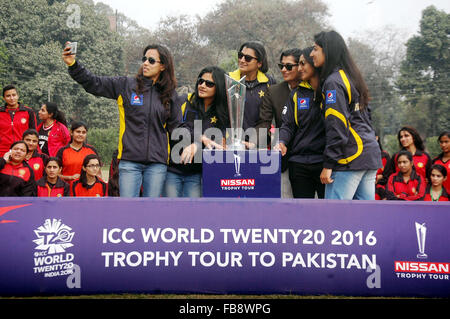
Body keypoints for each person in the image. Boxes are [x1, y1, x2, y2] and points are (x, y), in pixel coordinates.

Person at [63, 42, 184, 197]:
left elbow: (176, 129)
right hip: (129, 161)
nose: (145, 63)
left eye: (151, 60)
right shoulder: (126, 85)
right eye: (144, 59)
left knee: (151, 210)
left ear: (163, 66)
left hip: (157, 163)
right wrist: (73, 65)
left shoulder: (170, 94)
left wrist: (193, 144)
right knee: (128, 209)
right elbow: (94, 83)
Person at [310, 30, 381, 200]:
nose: (312, 54)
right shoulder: (351, 76)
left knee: (334, 219)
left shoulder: (333, 82)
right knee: (364, 220)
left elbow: (337, 125)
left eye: (315, 49)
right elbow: (367, 116)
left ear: (328, 51)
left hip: (350, 157)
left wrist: (329, 164)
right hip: (369, 154)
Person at [165, 66, 229, 197]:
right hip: (172, 170)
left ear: (220, 87)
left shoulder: (223, 113)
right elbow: (176, 130)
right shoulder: (184, 101)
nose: (203, 85)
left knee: (191, 214)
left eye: (209, 83)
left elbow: (220, 144)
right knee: (170, 212)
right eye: (201, 81)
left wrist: (197, 145)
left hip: (197, 174)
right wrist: (202, 139)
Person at [275, 47, 325, 199]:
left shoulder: (329, 89)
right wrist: (282, 141)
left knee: (328, 214)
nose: (300, 68)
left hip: (324, 162)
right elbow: (288, 125)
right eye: (299, 64)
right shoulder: (296, 94)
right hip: (299, 163)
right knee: (303, 215)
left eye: (303, 64)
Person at [257, 48, 302, 198]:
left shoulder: (313, 88)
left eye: (289, 66)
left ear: (301, 66)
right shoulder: (274, 91)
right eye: (281, 66)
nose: (283, 70)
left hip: (311, 158)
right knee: (286, 202)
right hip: (284, 157)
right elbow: (264, 122)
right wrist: (254, 142)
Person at [229, 41, 276, 148]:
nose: (242, 60)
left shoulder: (269, 82)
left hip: (257, 144)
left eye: (248, 58)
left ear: (259, 63)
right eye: (240, 56)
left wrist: (253, 142)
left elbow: (266, 119)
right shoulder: (228, 81)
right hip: (231, 143)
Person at [0, 84, 37, 157]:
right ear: (4, 98)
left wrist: (31, 151)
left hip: (22, 152)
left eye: (14, 95)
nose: (11, 98)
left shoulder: (28, 111)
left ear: (18, 96)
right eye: (8, 96)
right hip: (2, 152)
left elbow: (34, 133)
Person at [375, 133, 391, 200]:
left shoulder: (385, 155)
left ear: (376, 138)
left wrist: (379, 179)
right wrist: (376, 177)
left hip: (381, 188)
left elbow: (387, 176)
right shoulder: (361, 156)